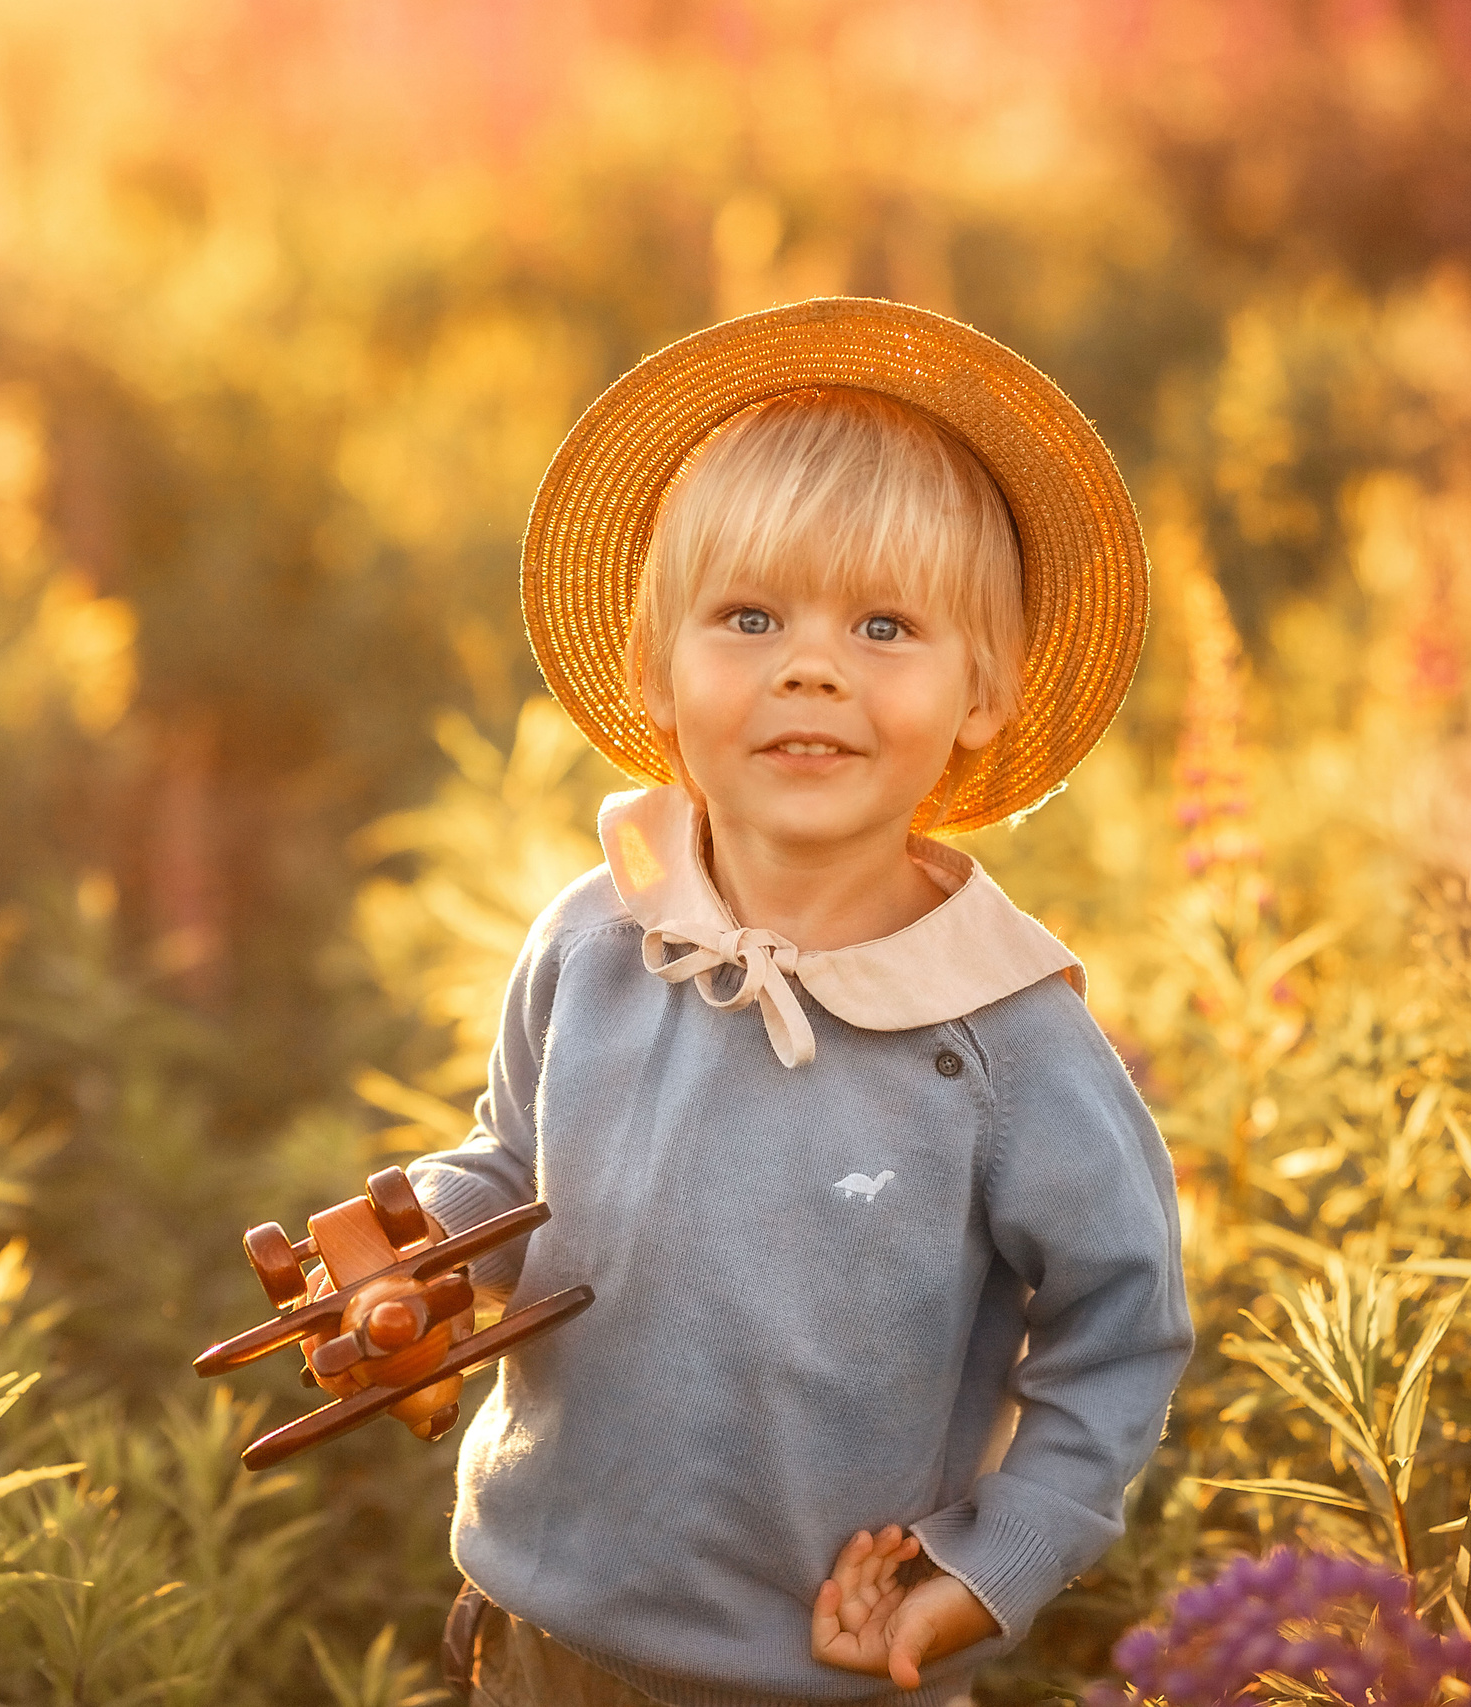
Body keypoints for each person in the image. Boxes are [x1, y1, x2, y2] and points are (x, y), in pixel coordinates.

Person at [404, 298, 1192, 1707]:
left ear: (982, 693)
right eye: (750, 617)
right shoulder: (598, 937)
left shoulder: (1004, 1036)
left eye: (885, 626)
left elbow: (1121, 1327)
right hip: (540, 1632)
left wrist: (994, 1562)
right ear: (655, 669)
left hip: (826, 1663)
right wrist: (419, 1248)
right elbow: (515, 1171)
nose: (810, 665)